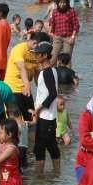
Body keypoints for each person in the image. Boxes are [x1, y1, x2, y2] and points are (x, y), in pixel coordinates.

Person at [30, 41, 60, 172]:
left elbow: (53, 93)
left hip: (46, 116)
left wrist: (38, 108)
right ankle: (55, 174)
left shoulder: (47, 72)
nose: (36, 56)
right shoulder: (51, 70)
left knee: (41, 148)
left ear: (45, 55)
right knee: (50, 146)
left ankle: (39, 177)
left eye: (37, 54)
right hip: (48, 116)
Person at [48, 0, 79, 66]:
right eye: (60, 3)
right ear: (58, 3)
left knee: (66, 59)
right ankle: (51, 74)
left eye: (64, 3)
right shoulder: (55, 12)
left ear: (67, 3)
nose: (62, 4)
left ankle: (68, 75)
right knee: (53, 57)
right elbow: (52, 23)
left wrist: (73, 37)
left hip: (68, 38)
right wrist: (51, 34)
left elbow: (76, 25)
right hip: (57, 37)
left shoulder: (71, 11)